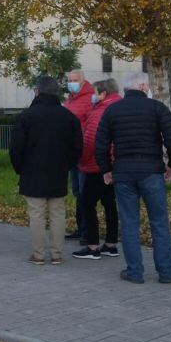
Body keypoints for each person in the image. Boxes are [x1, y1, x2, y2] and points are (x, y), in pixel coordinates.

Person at [93, 72, 171, 284]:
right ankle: (166, 272)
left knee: (129, 222)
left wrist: (106, 169)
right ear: (143, 86)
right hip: (152, 171)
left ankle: (134, 272)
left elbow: (100, 144)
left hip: (123, 172)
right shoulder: (157, 108)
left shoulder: (112, 110)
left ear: (127, 89)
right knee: (159, 222)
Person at [9, 76, 83, 265]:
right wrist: (67, 165)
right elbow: (77, 147)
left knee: (37, 214)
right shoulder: (68, 116)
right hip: (58, 171)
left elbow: (16, 148)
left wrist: (20, 168)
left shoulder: (27, 116)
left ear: (37, 91)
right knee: (58, 213)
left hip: (32, 172)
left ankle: (39, 254)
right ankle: (57, 254)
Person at [72, 78, 122, 261]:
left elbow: (91, 139)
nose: (93, 96)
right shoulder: (120, 106)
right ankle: (111, 244)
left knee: (87, 203)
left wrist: (81, 160)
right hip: (115, 164)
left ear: (103, 94)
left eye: (95, 93)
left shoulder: (101, 110)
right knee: (110, 204)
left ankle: (92, 246)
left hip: (96, 165)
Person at [63, 69, 94, 242]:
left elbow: (90, 124)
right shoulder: (70, 100)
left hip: (84, 151)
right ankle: (80, 227)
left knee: (84, 192)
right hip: (72, 153)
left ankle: (87, 231)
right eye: (69, 80)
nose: (71, 83)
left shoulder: (89, 99)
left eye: (74, 80)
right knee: (76, 191)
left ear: (82, 81)